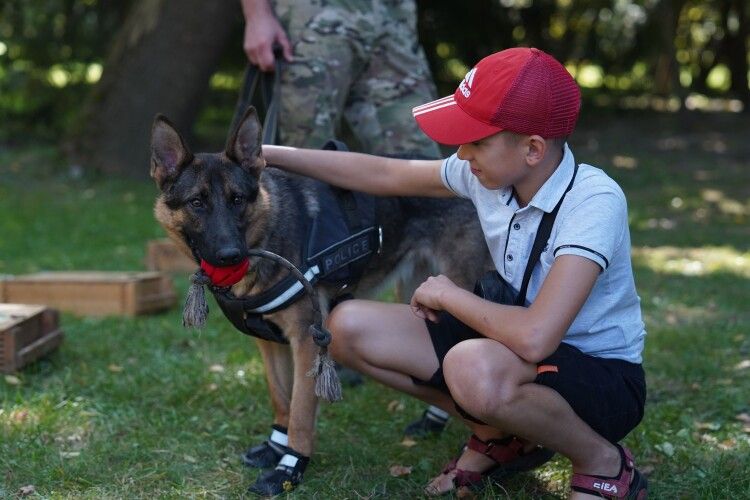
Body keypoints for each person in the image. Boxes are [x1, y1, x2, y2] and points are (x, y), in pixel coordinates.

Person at [262, 47, 648, 498]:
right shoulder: (489, 176)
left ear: (533, 149)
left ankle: (602, 461)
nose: (461, 153)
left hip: (600, 380)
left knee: (470, 365)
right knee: (345, 327)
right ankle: (499, 437)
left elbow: (537, 337)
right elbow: (385, 173)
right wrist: (273, 154)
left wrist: (448, 295)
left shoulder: (593, 201)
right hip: (513, 355)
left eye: (477, 141)